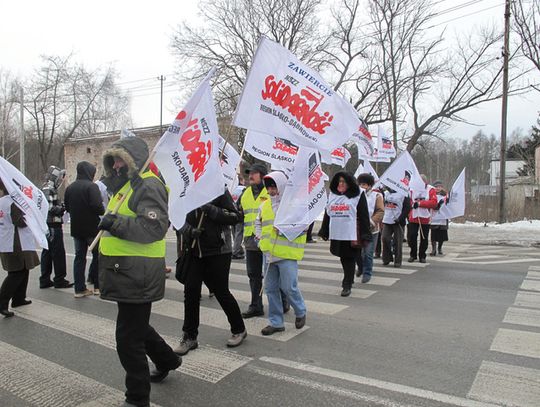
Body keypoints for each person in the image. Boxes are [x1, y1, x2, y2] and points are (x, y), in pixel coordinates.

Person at [98, 136, 181, 407]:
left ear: (133, 160)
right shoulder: (125, 187)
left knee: (127, 339)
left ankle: (137, 398)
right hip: (126, 272)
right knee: (137, 328)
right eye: (114, 161)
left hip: (139, 274)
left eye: (121, 159)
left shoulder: (149, 185)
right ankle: (167, 359)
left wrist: (114, 222)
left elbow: (154, 228)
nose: (117, 165)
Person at [174, 190, 247, 355]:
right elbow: (176, 219)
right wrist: (189, 230)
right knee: (191, 291)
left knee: (221, 291)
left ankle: (239, 329)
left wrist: (209, 208)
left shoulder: (218, 189)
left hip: (218, 251)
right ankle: (189, 337)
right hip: (193, 250)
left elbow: (235, 217)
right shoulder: (184, 188)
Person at [256, 171, 307, 335]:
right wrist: (259, 238)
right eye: (269, 188)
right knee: (270, 289)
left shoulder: (294, 204)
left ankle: (300, 311)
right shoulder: (264, 205)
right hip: (268, 254)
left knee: (288, 287)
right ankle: (276, 322)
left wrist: (285, 230)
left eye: (274, 187)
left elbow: (303, 227)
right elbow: (258, 222)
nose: (271, 191)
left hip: (287, 254)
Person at [238, 163, 288, 317]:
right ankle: (256, 306)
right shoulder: (245, 193)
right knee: (253, 274)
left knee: (274, 273)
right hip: (251, 239)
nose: (250, 176)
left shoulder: (272, 191)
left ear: (262, 175)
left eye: (254, 173)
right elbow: (240, 213)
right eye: (249, 173)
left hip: (270, 240)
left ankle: (282, 302)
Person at [318, 171, 371, 297]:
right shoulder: (332, 195)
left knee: (349, 258)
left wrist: (365, 233)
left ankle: (347, 284)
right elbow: (327, 213)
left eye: (343, 181)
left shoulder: (358, 194)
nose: (341, 184)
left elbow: (364, 215)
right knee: (343, 257)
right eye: (339, 181)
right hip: (337, 231)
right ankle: (352, 275)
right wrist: (324, 229)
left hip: (351, 232)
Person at [64, 161, 105, 298]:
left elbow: (67, 208)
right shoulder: (91, 187)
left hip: (76, 228)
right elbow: (98, 207)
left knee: (79, 258)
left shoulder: (70, 188)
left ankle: (79, 289)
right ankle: (98, 286)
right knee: (98, 257)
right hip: (92, 228)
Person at [0, 181, 40, 318]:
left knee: (23, 270)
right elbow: (20, 222)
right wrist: (31, 215)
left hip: (8, 241)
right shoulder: (13, 202)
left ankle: (19, 298)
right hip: (16, 242)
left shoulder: (2, 201)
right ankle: (2, 303)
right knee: (17, 272)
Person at [39, 165, 73, 289]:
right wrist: (63, 208)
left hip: (48, 225)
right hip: (52, 224)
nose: (61, 180)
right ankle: (59, 279)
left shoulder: (46, 187)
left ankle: (45, 279)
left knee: (47, 252)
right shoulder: (49, 188)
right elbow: (49, 208)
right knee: (57, 253)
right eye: (60, 177)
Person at [356, 174, 384, 283]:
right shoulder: (355, 195)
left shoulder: (377, 196)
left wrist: (371, 222)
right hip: (358, 229)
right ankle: (361, 267)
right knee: (359, 252)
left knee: (368, 253)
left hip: (372, 229)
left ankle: (367, 273)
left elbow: (380, 211)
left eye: (364, 184)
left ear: (370, 185)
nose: (362, 186)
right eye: (360, 184)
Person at [407, 174, 438, 263]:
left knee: (424, 238)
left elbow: (433, 203)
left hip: (425, 218)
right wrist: (411, 205)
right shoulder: (412, 189)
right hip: (414, 217)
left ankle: (422, 255)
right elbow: (408, 200)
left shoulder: (430, 189)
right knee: (412, 236)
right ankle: (413, 254)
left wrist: (420, 204)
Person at [381, 187, 411, 268]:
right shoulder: (386, 193)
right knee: (385, 238)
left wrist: (401, 218)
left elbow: (408, 207)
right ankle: (387, 258)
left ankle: (398, 261)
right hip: (387, 220)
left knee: (398, 241)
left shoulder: (404, 193)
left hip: (398, 221)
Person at [430, 180, 449, 256]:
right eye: (436, 187)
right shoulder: (431, 195)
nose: (438, 188)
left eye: (439, 187)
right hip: (434, 217)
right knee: (433, 234)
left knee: (442, 234)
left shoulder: (445, 195)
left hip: (443, 218)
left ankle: (440, 248)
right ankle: (433, 249)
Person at [231, 180, 246, 260]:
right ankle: (236, 251)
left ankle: (238, 249)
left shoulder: (233, 188)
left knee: (234, 233)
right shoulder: (244, 190)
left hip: (231, 213)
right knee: (238, 234)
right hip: (240, 214)